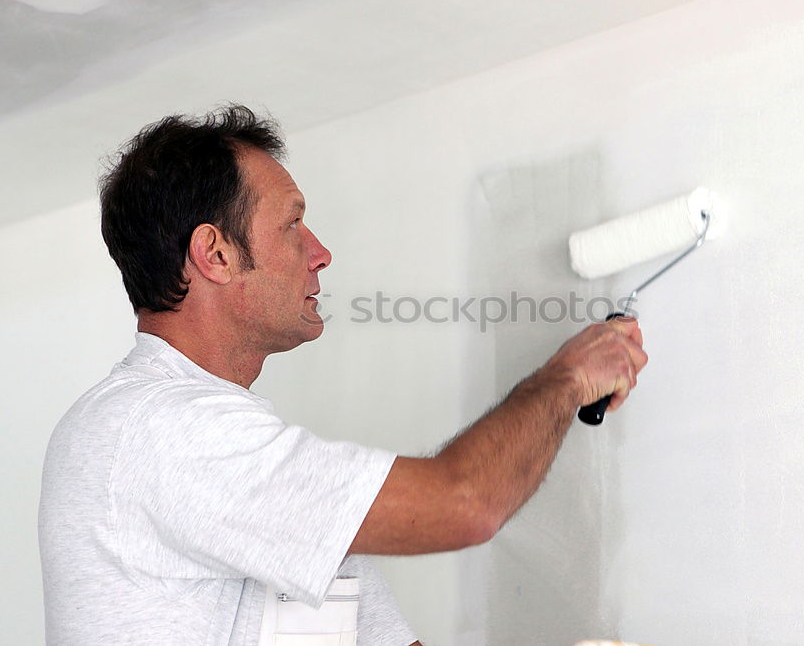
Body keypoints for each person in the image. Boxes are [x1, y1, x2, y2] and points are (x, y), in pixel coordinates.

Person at [38, 105, 647, 646]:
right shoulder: (159, 430)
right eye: (291, 224)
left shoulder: (264, 482)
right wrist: (567, 380)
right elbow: (466, 504)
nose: (320, 252)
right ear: (215, 254)